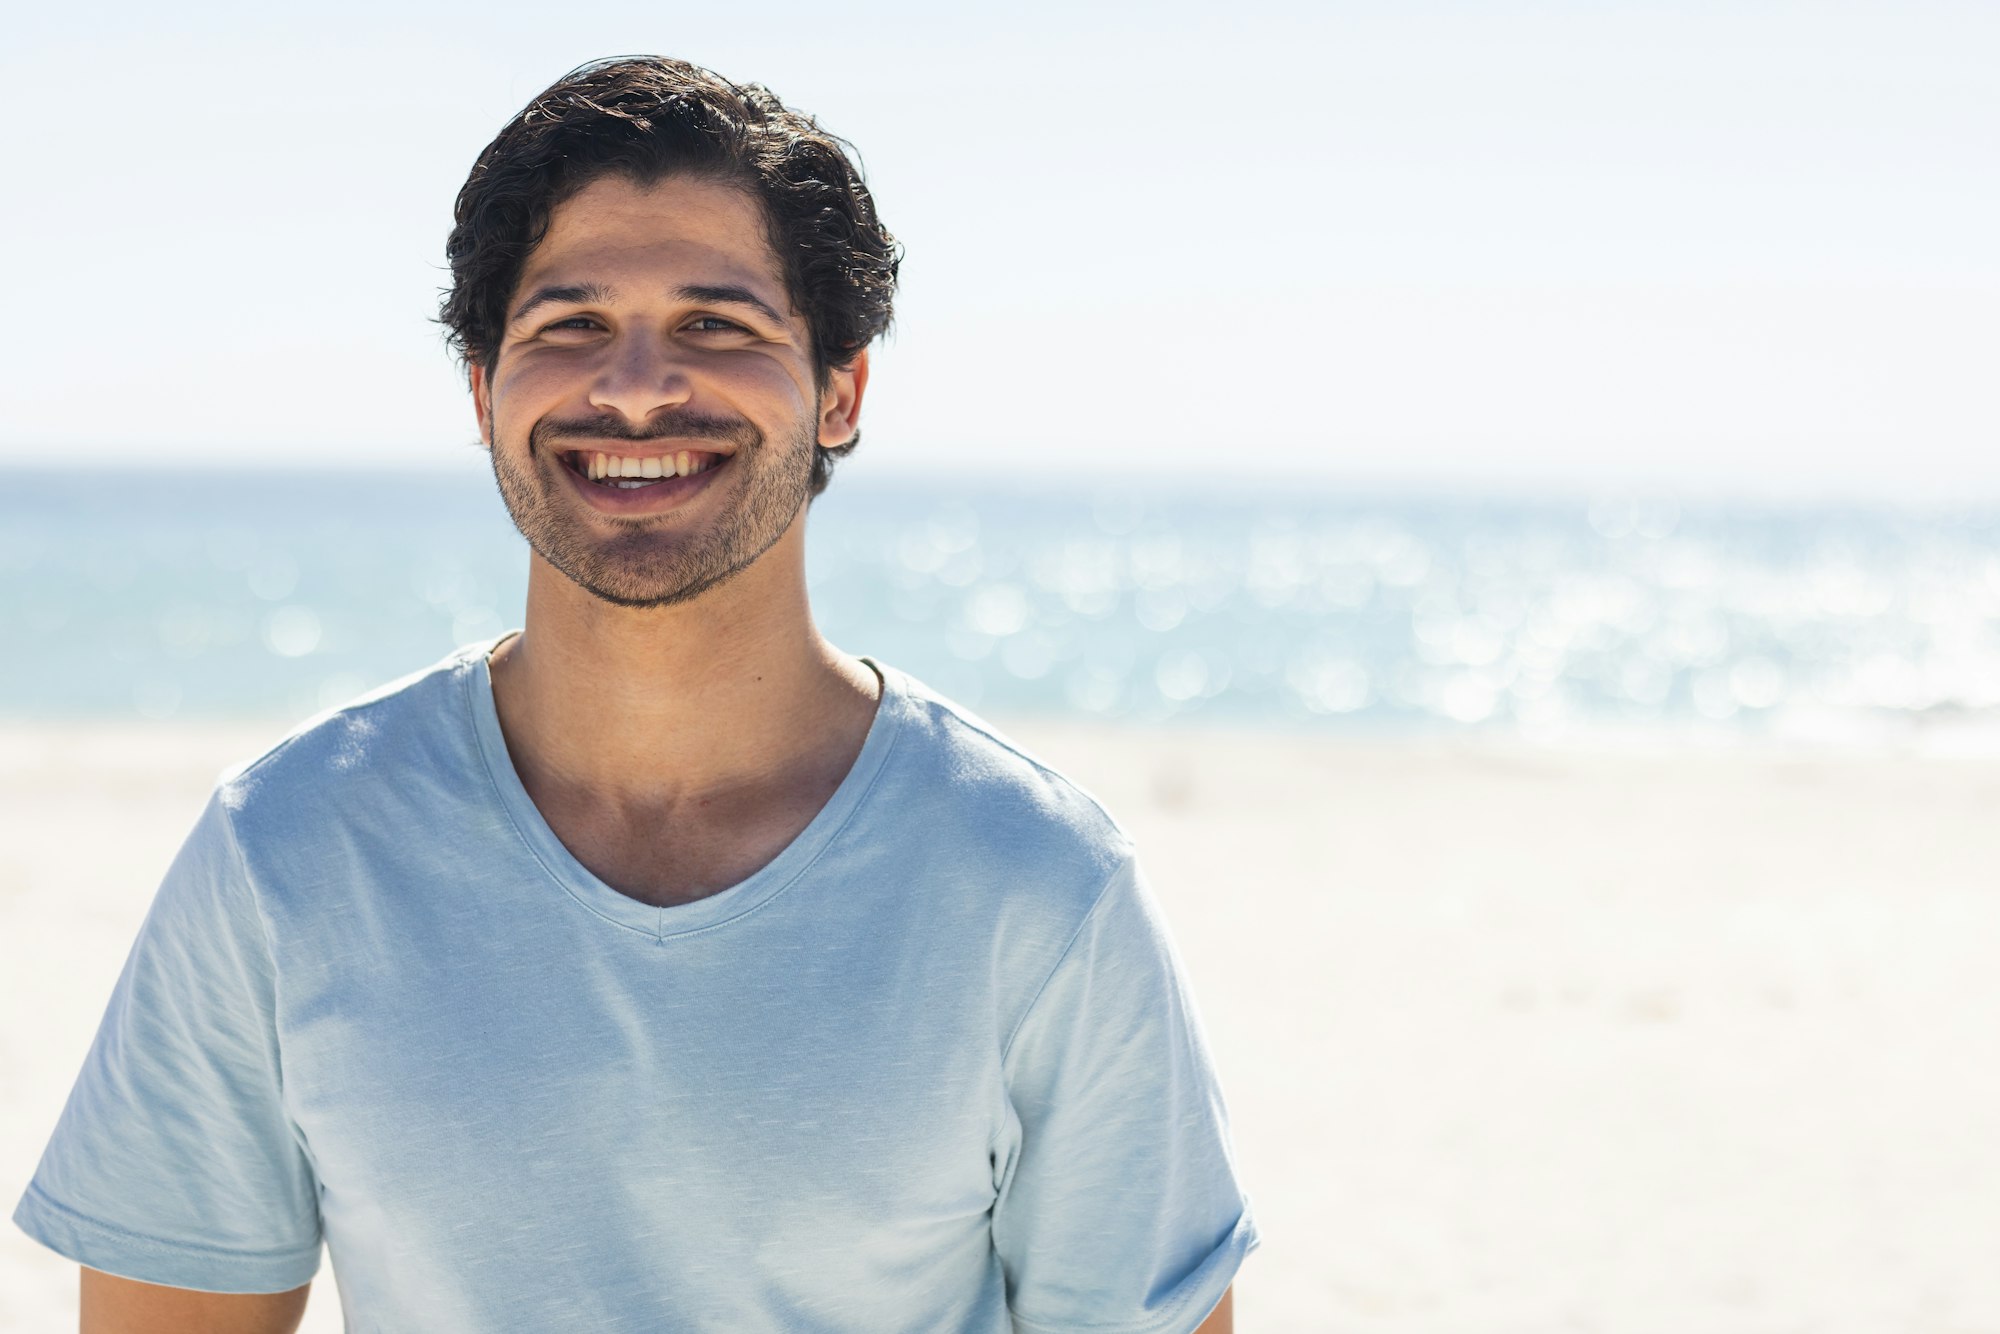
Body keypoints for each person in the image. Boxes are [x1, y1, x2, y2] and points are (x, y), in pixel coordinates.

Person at [14, 56, 1257, 1333]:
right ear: (484, 391)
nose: (636, 386)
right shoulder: (284, 850)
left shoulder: (1040, 883)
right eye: (570, 326)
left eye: (717, 324)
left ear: (839, 390)